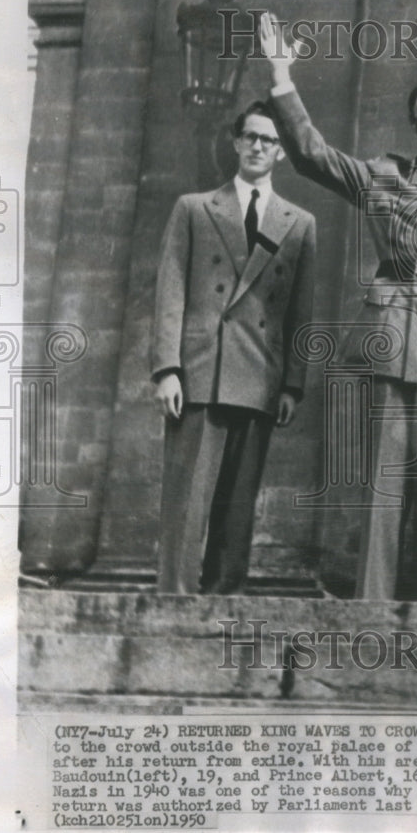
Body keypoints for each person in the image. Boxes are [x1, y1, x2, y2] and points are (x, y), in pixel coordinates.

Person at [259, 12, 417, 603]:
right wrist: (280, 74)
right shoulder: (382, 176)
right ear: (414, 119)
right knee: (383, 488)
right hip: (393, 341)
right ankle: (371, 611)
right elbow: (312, 155)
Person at [151, 100, 315, 594]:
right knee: (186, 504)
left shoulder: (299, 222)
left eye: (270, 140)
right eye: (251, 137)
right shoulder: (194, 208)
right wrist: (167, 368)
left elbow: (300, 313)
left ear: (281, 151)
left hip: (260, 375)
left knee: (238, 506)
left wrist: (292, 386)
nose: (259, 146)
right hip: (200, 370)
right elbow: (170, 291)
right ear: (237, 142)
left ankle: (223, 606)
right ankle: (174, 603)